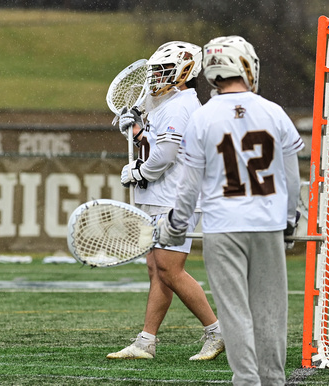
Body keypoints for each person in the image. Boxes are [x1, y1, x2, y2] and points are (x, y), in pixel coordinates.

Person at [157, 36, 304, 385]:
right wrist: (288, 221)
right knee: (270, 312)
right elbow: (292, 178)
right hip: (267, 224)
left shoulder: (203, 117)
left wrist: (176, 225)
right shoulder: (273, 111)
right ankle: (273, 379)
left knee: (235, 312)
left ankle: (246, 381)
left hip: (223, 227)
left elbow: (189, 185)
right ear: (246, 65)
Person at [107, 41, 224, 361]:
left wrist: (138, 172)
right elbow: (144, 135)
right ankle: (146, 341)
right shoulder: (163, 101)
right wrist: (132, 123)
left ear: (184, 73)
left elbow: (166, 155)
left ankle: (216, 330)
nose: (155, 77)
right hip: (160, 197)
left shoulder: (181, 105)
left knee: (170, 269)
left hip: (174, 198)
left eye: (162, 71)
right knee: (156, 269)